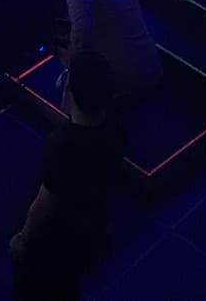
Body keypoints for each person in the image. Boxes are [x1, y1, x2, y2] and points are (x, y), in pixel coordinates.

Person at [9, 50, 124, 300]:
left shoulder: (64, 146)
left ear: (70, 90)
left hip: (52, 247)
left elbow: (44, 205)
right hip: (86, 238)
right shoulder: (115, 132)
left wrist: (23, 239)